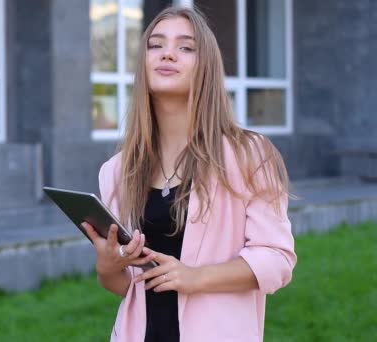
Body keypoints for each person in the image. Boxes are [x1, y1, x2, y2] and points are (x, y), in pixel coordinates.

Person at [81, 6, 297, 342]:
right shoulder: (117, 171)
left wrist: (194, 277)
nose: (168, 54)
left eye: (185, 47)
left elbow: (277, 260)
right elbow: (131, 288)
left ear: (206, 67)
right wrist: (108, 269)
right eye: (156, 45)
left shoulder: (248, 155)